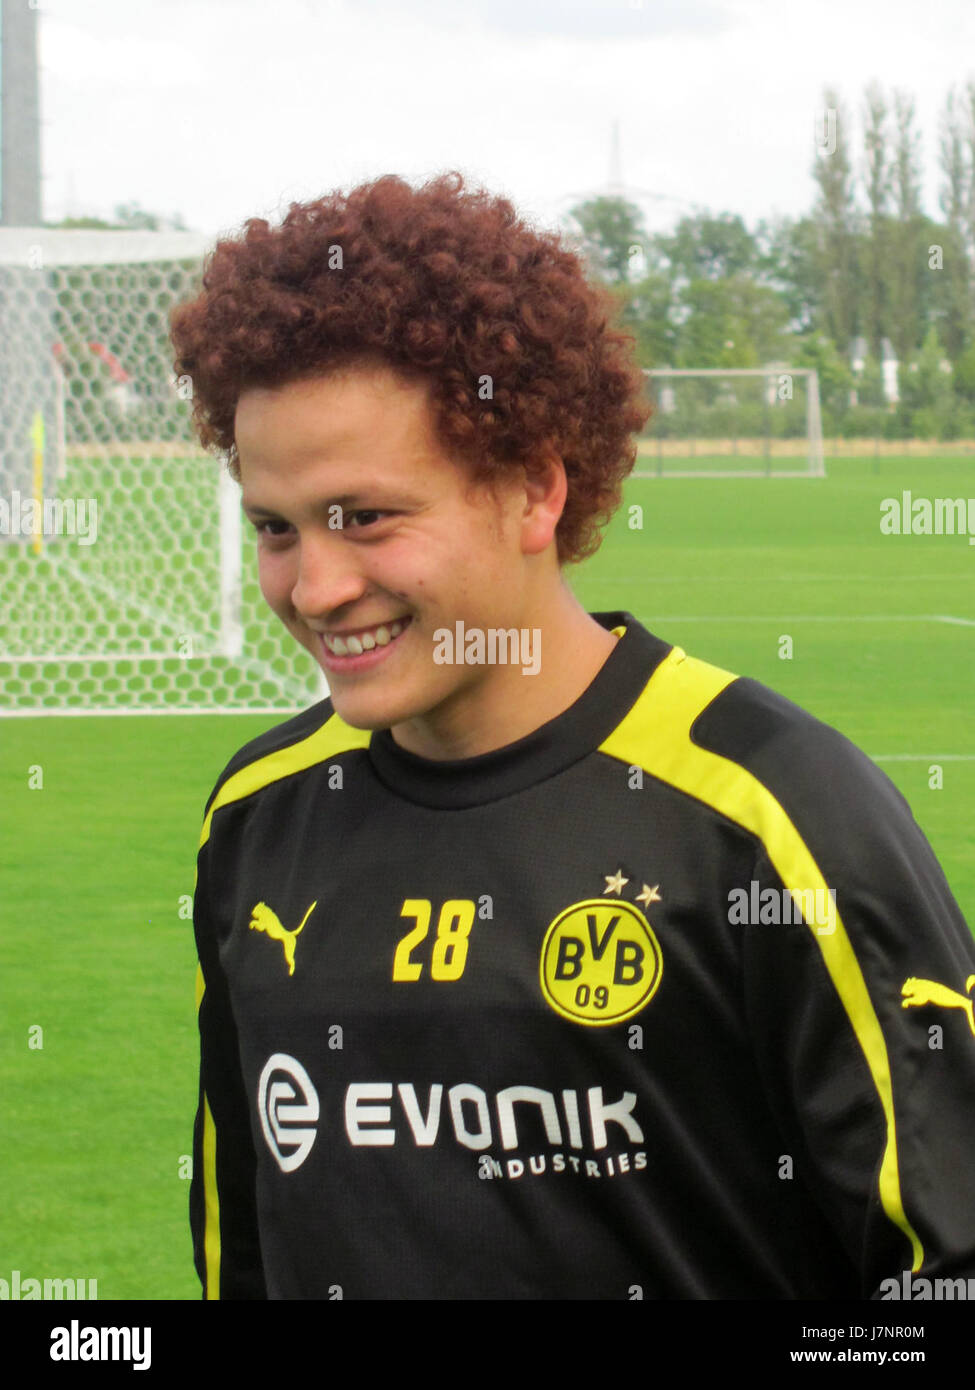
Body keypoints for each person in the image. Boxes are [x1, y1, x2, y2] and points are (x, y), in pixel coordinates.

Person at [170, 170, 975, 1301]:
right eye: (276, 528)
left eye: (367, 518)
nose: (315, 587)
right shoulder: (259, 815)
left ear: (534, 491)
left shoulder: (767, 811)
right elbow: (243, 1249)